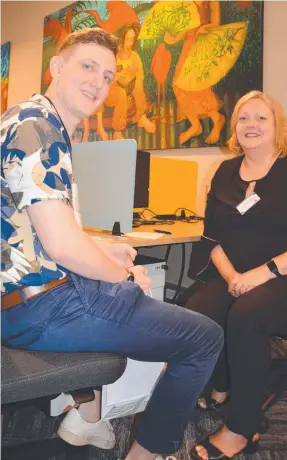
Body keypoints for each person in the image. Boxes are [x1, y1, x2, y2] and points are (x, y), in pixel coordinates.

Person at [1, 28, 223, 460]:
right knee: (203, 338)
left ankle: (87, 420)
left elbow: (49, 232)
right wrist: (125, 273)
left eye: (108, 76)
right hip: (42, 308)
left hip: (23, 298)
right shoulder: (38, 129)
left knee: (124, 287)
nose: (99, 84)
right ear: (57, 67)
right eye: (88, 67)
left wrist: (106, 255)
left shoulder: (28, 118)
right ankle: (142, 452)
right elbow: (63, 247)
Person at [184, 90, 287, 460]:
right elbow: (212, 237)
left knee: (246, 315)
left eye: (262, 118)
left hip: (281, 277)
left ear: (277, 126)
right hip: (238, 274)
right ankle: (224, 384)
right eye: (244, 118)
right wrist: (231, 279)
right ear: (234, 127)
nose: (252, 125)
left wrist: (263, 273)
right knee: (198, 309)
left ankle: (242, 428)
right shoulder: (225, 172)